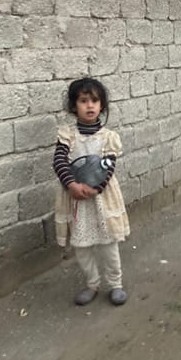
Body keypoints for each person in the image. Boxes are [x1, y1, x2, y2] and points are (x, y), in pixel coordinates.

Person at [53, 77, 130, 307]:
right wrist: (72, 185)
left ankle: (115, 284)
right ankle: (92, 283)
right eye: (83, 101)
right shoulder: (67, 135)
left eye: (95, 101)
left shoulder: (108, 138)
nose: (90, 106)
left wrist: (95, 187)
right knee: (82, 246)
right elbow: (59, 162)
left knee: (108, 243)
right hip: (75, 199)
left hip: (102, 198)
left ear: (102, 106)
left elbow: (108, 165)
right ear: (73, 106)